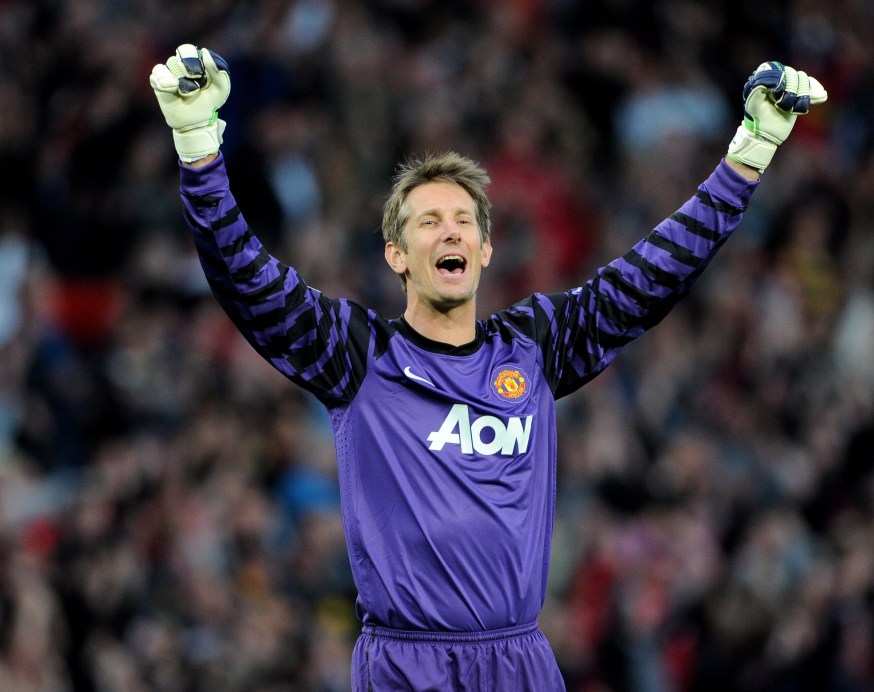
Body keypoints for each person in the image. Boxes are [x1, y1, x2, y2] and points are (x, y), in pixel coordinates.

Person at [150, 44, 826, 690]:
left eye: (463, 221)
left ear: (486, 249)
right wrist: (198, 150)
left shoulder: (534, 347)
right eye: (427, 222)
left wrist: (750, 153)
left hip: (519, 660)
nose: (448, 232)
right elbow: (248, 280)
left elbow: (654, 274)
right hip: (407, 665)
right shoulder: (358, 356)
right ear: (396, 256)